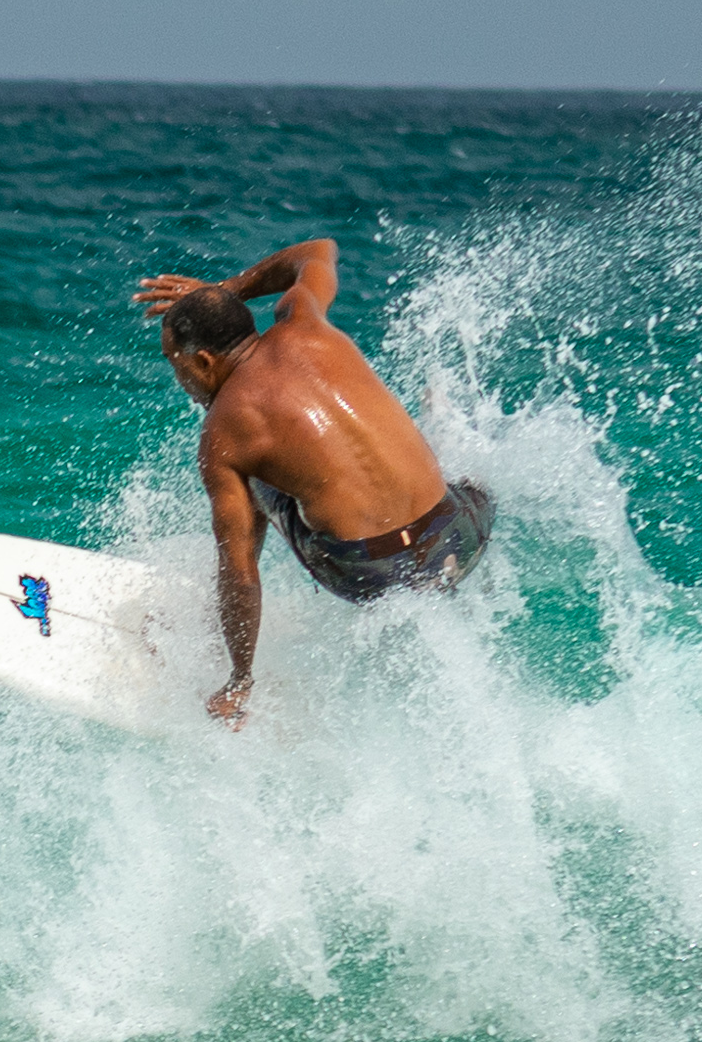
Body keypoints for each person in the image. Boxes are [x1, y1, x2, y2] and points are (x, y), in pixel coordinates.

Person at [133, 239, 493, 724]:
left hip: (373, 577)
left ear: (202, 361)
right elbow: (319, 250)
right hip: (461, 538)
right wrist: (229, 289)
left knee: (255, 481)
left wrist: (239, 679)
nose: (180, 378)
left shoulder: (225, 433)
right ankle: (449, 436)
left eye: (175, 363)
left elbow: (240, 571)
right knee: (458, 473)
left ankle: (235, 677)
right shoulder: (307, 320)